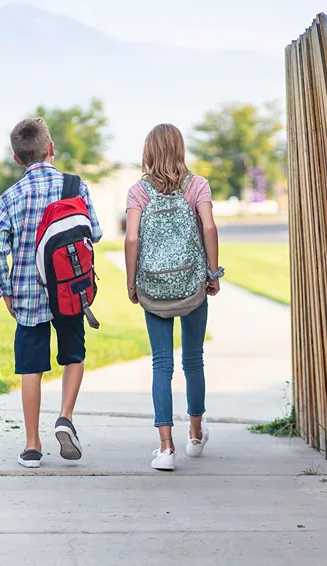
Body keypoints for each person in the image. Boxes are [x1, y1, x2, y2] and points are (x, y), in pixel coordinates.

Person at [0, 117, 102, 468]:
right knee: (74, 356)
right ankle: (65, 416)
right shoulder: (74, 186)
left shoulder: (10, 197)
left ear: (17, 158)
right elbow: (94, 232)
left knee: (31, 369)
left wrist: (4, 290)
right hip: (69, 290)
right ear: (51, 149)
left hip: (27, 295)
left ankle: (32, 445)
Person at [125, 123, 222, 471]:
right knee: (193, 360)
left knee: (161, 364)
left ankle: (165, 448)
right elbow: (208, 227)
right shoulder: (197, 185)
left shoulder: (139, 191)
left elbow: (132, 239)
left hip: (154, 288)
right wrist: (212, 273)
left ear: (149, 150)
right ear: (180, 149)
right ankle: (195, 434)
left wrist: (132, 283)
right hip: (192, 284)